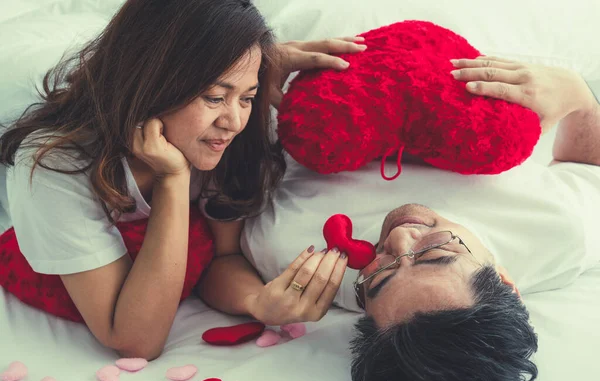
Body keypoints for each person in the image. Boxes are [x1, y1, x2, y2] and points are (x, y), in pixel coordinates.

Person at [0, 0, 367, 360]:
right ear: (152, 83)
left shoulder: (225, 134)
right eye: (214, 97)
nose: (235, 122)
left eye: (248, 97)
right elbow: (135, 340)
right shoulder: (52, 165)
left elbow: (223, 258)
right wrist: (173, 178)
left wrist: (258, 302)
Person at [238, 57, 600, 381]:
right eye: (436, 252)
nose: (397, 236)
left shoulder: (293, 248)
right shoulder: (564, 232)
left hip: (309, 69)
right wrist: (576, 92)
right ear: (505, 281)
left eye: (379, 279)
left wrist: (254, 303)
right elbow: (590, 167)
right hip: (480, 73)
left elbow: (223, 256)